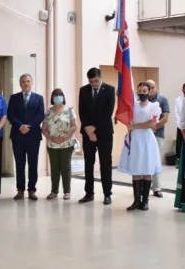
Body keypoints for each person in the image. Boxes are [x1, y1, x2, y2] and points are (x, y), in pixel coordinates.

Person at [118, 82, 162, 210]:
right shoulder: (133, 105)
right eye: (140, 91)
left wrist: (135, 126)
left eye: (144, 91)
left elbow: (152, 124)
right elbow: (128, 118)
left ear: (149, 92)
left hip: (147, 139)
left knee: (147, 170)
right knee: (136, 170)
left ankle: (145, 201)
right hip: (135, 139)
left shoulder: (154, 106)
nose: (142, 93)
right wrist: (131, 128)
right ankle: (137, 200)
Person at [78, 68, 115, 205]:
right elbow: (82, 111)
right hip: (87, 132)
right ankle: (89, 193)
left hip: (104, 132)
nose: (94, 84)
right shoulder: (84, 90)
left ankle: (107, 194)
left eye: (96, 81)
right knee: (88, 163)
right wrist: (89, 131)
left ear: (101, 77)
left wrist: (94, 128)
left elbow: (108, 112)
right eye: (91, 81)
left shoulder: (110, 90)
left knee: (105, 164)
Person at [8, 74, 45, 200]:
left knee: (33, 163)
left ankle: (32, 190)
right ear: (20, 84)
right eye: (23, 81)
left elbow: (40, 115)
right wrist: (20, 126)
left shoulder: (39, 98)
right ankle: (20, 190)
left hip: (33, 135)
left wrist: (28, 126)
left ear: (32, 83)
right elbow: (10, 115)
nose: (26, 83)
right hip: (17, 135)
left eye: (28, 81)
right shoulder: (14, 98)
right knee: (19, 164)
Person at [42, 88, 77, 200]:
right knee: (54, 168)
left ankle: (67, 192)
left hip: (66, 144)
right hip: (52, 145)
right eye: (55, 94)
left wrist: (65, 136)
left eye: (60, 94)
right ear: (52, 97)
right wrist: (50, 138)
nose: (57, 96)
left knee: (65, 167)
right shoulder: (48, 112)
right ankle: (54, 191)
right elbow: (44, 128)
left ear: (63, 96)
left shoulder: (69, 110)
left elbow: (74, 126)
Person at [145, 79, 170, 198]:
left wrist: (153, 127)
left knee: (155, 161)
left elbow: (165, 117)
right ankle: (143, 187)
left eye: (152, 87)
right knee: (143, 161)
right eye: (148, 87)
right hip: (143, 134)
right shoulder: (142, 100)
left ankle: (156, 188)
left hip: (157, 134)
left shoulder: (162, 100)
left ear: (156, 88)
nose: (150, 90)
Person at [174, 83, 185, 166]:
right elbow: (176, 113)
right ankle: (179, 160)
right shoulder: (178, 100)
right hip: (180, 125)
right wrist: (180, 125)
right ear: (182, 90)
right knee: (180, 142)